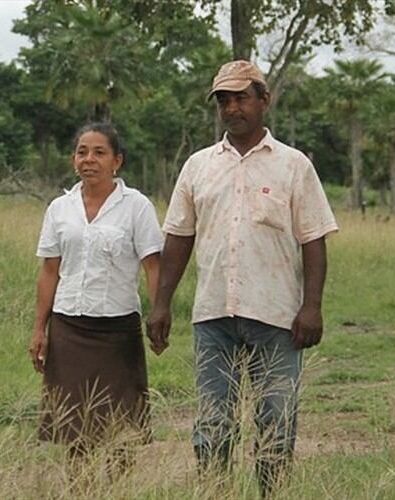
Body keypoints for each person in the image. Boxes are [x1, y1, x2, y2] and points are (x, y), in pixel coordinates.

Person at [146, 60, 338, 496]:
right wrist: (160, 304)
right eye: (224, 101)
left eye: (241, 98)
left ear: (263, 101)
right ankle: (216, 492)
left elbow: (313, 240)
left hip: (277, 317)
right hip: (213, 315)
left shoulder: (293, 165)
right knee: (213, 422)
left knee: (275, 419)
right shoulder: (198, 167)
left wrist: (311, 307)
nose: (232, 108)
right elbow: (178, 237)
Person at [29, 122, 163, 457]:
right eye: (82, 152)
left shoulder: (137, 206)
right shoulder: (60, 209)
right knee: (75, 429)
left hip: (117, 331)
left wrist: (159, 316)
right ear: (74, 159)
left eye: (99, 152)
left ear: (117, 161)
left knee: (120, 429)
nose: (89, 159)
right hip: (69, 328)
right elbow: (49, 271)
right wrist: (39, 329)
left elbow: (153, 266)